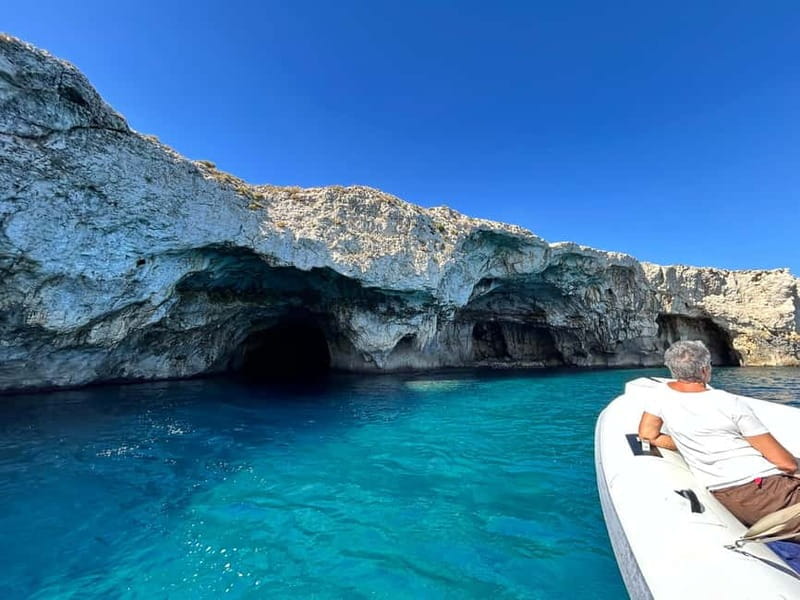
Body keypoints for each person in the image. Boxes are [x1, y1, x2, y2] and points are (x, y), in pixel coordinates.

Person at [638, 340, 800, 529]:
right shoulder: (728, 402)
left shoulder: (660, 395)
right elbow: (786, 464)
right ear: (705, 370)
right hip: (765, 490)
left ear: (673, 370)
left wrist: (688, 444)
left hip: (727, 494)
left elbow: (648, 434)